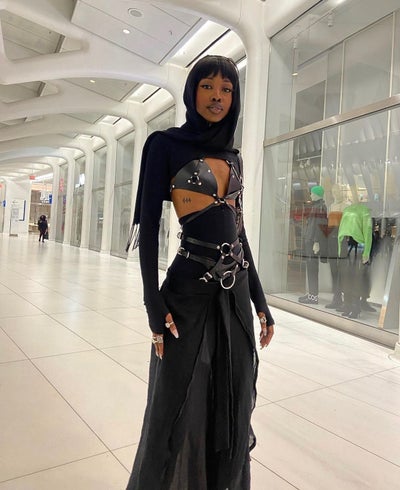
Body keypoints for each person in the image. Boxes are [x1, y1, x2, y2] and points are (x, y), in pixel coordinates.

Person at [125, 55, 275, 490]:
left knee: (232, 396)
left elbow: (239, 234)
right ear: (193, 92)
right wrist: (153, 305)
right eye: (208, 86)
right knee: (174, 402)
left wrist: (260, 301)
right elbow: (149, 227)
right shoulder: (164, 145)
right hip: (187, 291)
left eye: (227, 89)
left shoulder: (233, 156)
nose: (217, 96)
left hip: (236, 294)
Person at [337, 203, 375, 318]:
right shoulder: (352, 210)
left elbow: (367, 231)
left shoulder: (360, 210)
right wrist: (340, 248)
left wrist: (366, 252)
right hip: (350, 246)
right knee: (350, 278)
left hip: (355, 246)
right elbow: (342, 230)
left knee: (353, 278)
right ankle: (349, 305)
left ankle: (354, 306)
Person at [298, 185, 328, 305]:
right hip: (310, 241)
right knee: (310, 269)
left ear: (317, 194)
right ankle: (311, 293)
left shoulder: (320, 207)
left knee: (313, 269)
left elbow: (321, 226)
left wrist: (316, 242)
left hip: (313, 242)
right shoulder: (316, 206)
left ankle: (313, 296)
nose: (311, 195)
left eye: (312, 193)